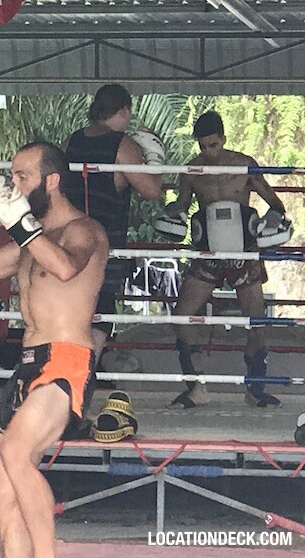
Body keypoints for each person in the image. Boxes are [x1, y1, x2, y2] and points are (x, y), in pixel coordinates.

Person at [0, 142, 109, 558]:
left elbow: (64, 268)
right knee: (0, 490)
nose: (13, 185)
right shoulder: (28, 240)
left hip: (66, 360)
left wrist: (20, 223)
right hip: (27, 363)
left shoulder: (84, 230)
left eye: (23, 177)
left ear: (52, 181)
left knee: (19, 456)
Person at [164, 110, 287, 409]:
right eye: (203, 146)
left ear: (223, 140)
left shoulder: (244, 166)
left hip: (243, 254)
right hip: (208, 253)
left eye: (213, 145)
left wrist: (271, 222)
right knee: (182, 315)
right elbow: (181, 204)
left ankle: (255, 388)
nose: (208, 152)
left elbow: (276, 204)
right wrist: (170, 213)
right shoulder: (192, 170)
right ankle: (196, 387)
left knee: (255, 323)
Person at [61, 84, 163, 387]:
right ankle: (79, 382)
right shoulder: (123, 144)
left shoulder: (71, 141)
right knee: (102, 306)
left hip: (68, 239)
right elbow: (151, 190)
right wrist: (155, 159)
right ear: (123, 111)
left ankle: (66, 379)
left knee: (71, 308)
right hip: (104, 241)